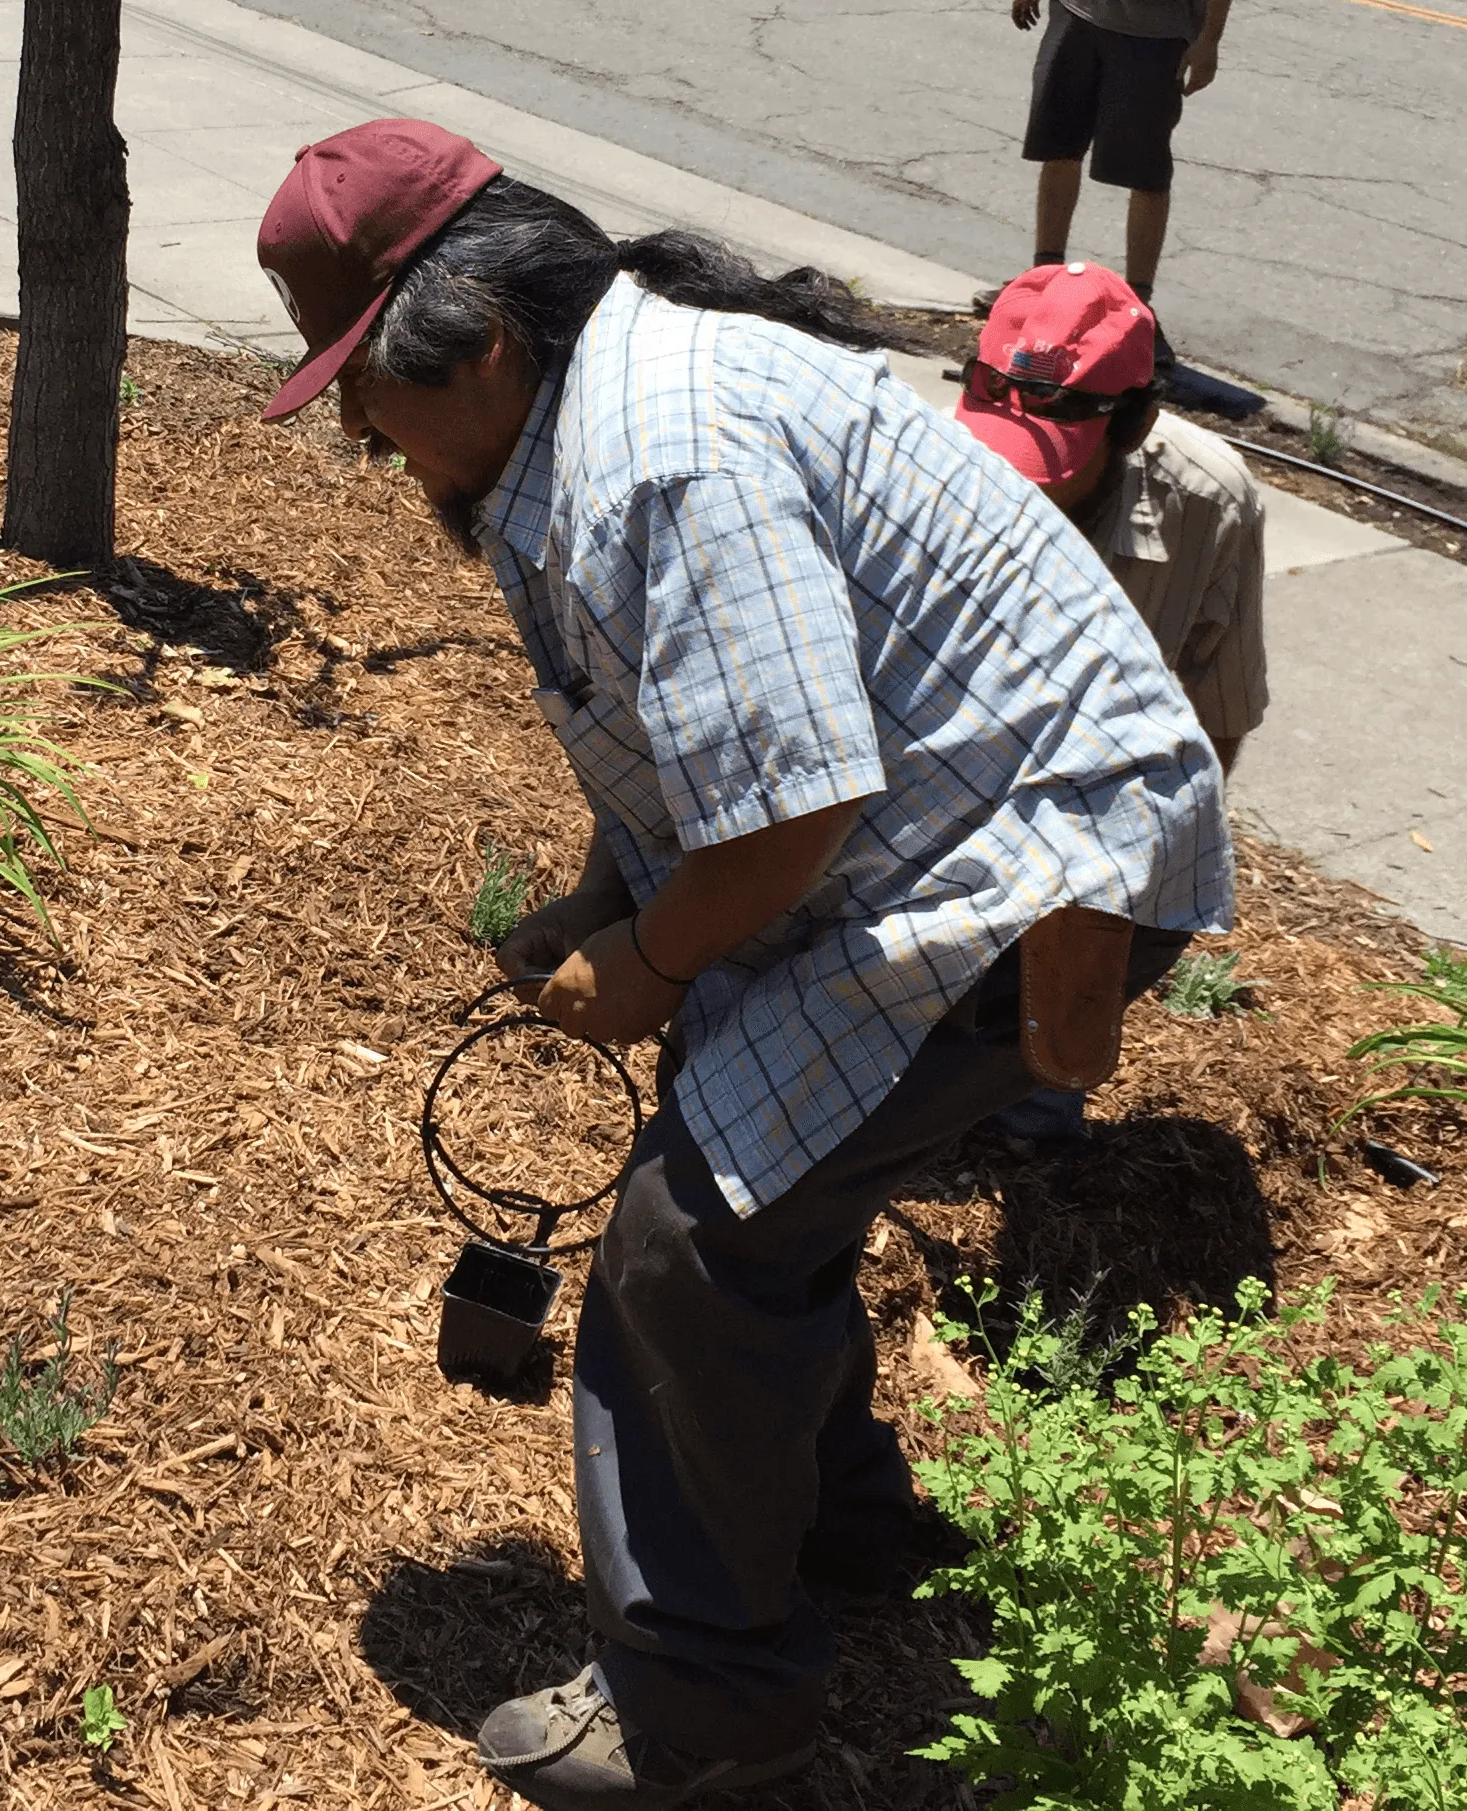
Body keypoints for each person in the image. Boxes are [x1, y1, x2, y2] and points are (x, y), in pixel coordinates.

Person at [257, 120, 1230, 1807]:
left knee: (689, 1236)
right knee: (762, 1181)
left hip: (1033, 861)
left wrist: (644, 959)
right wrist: (599, 895)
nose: (351, 422)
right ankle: (848, 1535)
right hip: (924, 843)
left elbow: (795, 800)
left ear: (480, 344)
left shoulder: (663, 449)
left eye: (361, 382)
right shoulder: (555, 429)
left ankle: (707, 1714)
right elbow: (672, 724)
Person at [959, 258, 1266, 1140]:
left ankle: (1032, 1083)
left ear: (1133, 424)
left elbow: (1215, 717)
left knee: (1034, 1098)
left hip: (1087, 821)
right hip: (941, 786)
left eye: (1052, 459)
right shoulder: (928, 453)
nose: (1018, 483)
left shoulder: (1208, 503)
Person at [996, 0, 1234, 364]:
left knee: (1147, 173)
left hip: (1157, 35)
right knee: (1059, 148)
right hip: (1076, 15)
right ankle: (1041, 280)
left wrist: (1209, 42)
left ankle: (1138, 309)